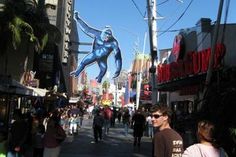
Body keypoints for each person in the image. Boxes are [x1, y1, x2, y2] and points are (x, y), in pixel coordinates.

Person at [70, 11, 122, 83]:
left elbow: (118, 57)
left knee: (103, 70)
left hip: (103, 59)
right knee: (83, 62)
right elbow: (86, 29)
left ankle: (99, 79)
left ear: (111, 36)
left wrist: (118, 69)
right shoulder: (97, 34)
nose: (106, 37)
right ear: (103, 33)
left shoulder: (113, 42)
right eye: (105, 35)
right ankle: (77, 72)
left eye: (108, 36)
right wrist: (78, 19)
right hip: (94, 54)